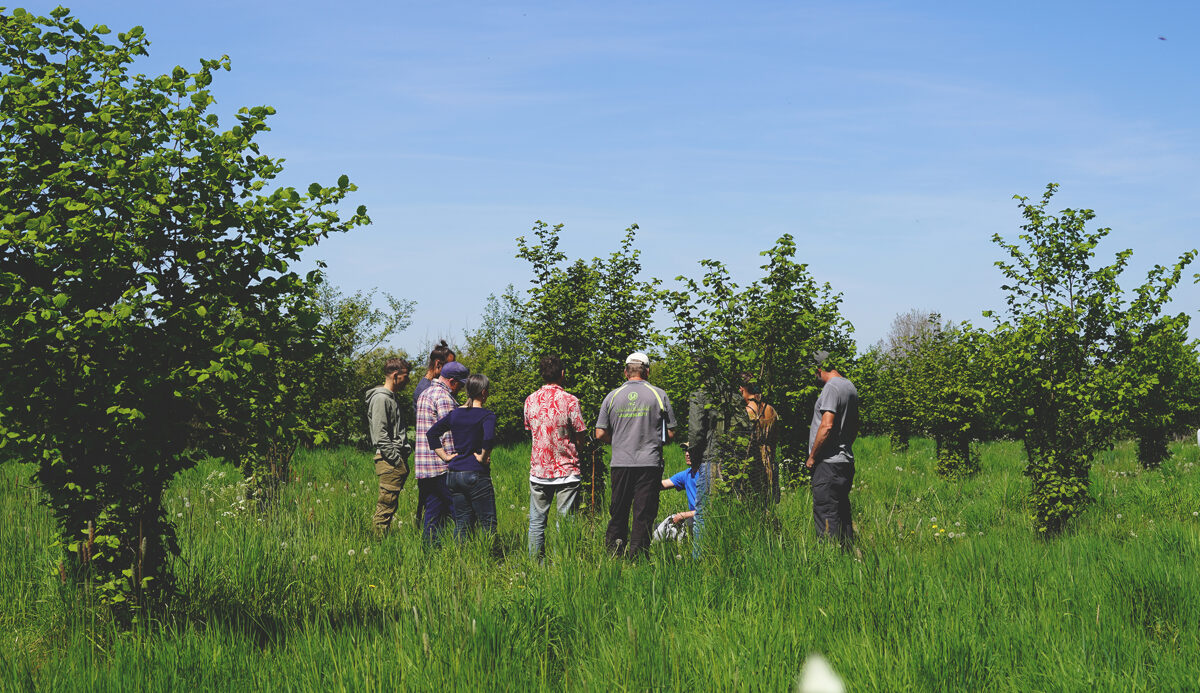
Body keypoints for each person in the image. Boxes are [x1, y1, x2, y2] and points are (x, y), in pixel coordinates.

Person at [595, 352, 676, 558]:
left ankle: (614, 554)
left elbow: (600, 433)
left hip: (621, 462)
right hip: (649, 463)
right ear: (647, 371)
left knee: (618, 510)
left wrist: (620, 441)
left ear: (625, 372)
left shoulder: (612, 396)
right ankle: (638, 557)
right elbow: (671, 432)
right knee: (644, 512)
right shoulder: (659, 394)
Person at [523, 355, 588, 560]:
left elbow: (530, 429)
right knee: (565, 522)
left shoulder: (530, 400)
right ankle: (561, 563)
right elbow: (580, 434)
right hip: (566, 470)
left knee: (536, 522)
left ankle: (535, 564)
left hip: (539, 470)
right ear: (562, 374)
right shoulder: (570, 401)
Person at [427, 373, 497, 539]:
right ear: (484, 392)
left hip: (454, 474)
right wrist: (482, 456)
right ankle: (493, 559)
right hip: (475, 473)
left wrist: (445, 456)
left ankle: (462, 558)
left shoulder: (455, 414)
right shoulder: (487, 416)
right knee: (488, 521)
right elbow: (488, 438)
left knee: (462, 521)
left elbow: (432, 434)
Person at [806, 350, 859, 545]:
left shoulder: (831, 388)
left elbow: (826, 425)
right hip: (845, 462)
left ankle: (830, 561)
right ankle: (847, 558)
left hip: (827, 464)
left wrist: (812, 457)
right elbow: (855, 426)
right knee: (843, 515)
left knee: (826, 515)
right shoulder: (850, 386)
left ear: (819, 369)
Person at [415, 359, 469, 543]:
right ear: (452, 381)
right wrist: (456, 460)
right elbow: (448, 434)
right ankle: (468, 551)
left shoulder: (425, 394)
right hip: (442, 466)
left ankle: (429, 554)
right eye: (460, 385)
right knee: (460, 511)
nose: (460, 389)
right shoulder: (444, 398)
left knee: (433, 513)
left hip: (424, 467)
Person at [365, 357, 413, 534]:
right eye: (405, 376)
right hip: (389, 461)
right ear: (395, 375)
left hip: (394, 459)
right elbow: (380, 434)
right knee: (385, 508)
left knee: (390, 506)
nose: (407, 381)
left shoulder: (390, 398)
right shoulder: (380, 399)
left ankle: (382, 542)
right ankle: (378, 546)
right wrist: (395, 460)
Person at [652, 459, 701, 543]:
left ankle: (682, 551)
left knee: (689, 524)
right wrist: (657, 471)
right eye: (685, 450)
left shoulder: (707, 476)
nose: (687, 454)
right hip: (691, 516)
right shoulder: (687, 474)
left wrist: (685, 515)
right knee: (657, 528)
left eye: (690, 450)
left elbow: (709, 510)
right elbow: (663, 484)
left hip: (701, 518)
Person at [413, 340, 456, 406]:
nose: (452, 370)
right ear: (438, 364)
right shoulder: (425, 389)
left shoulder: (431, 386)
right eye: (449, 366)